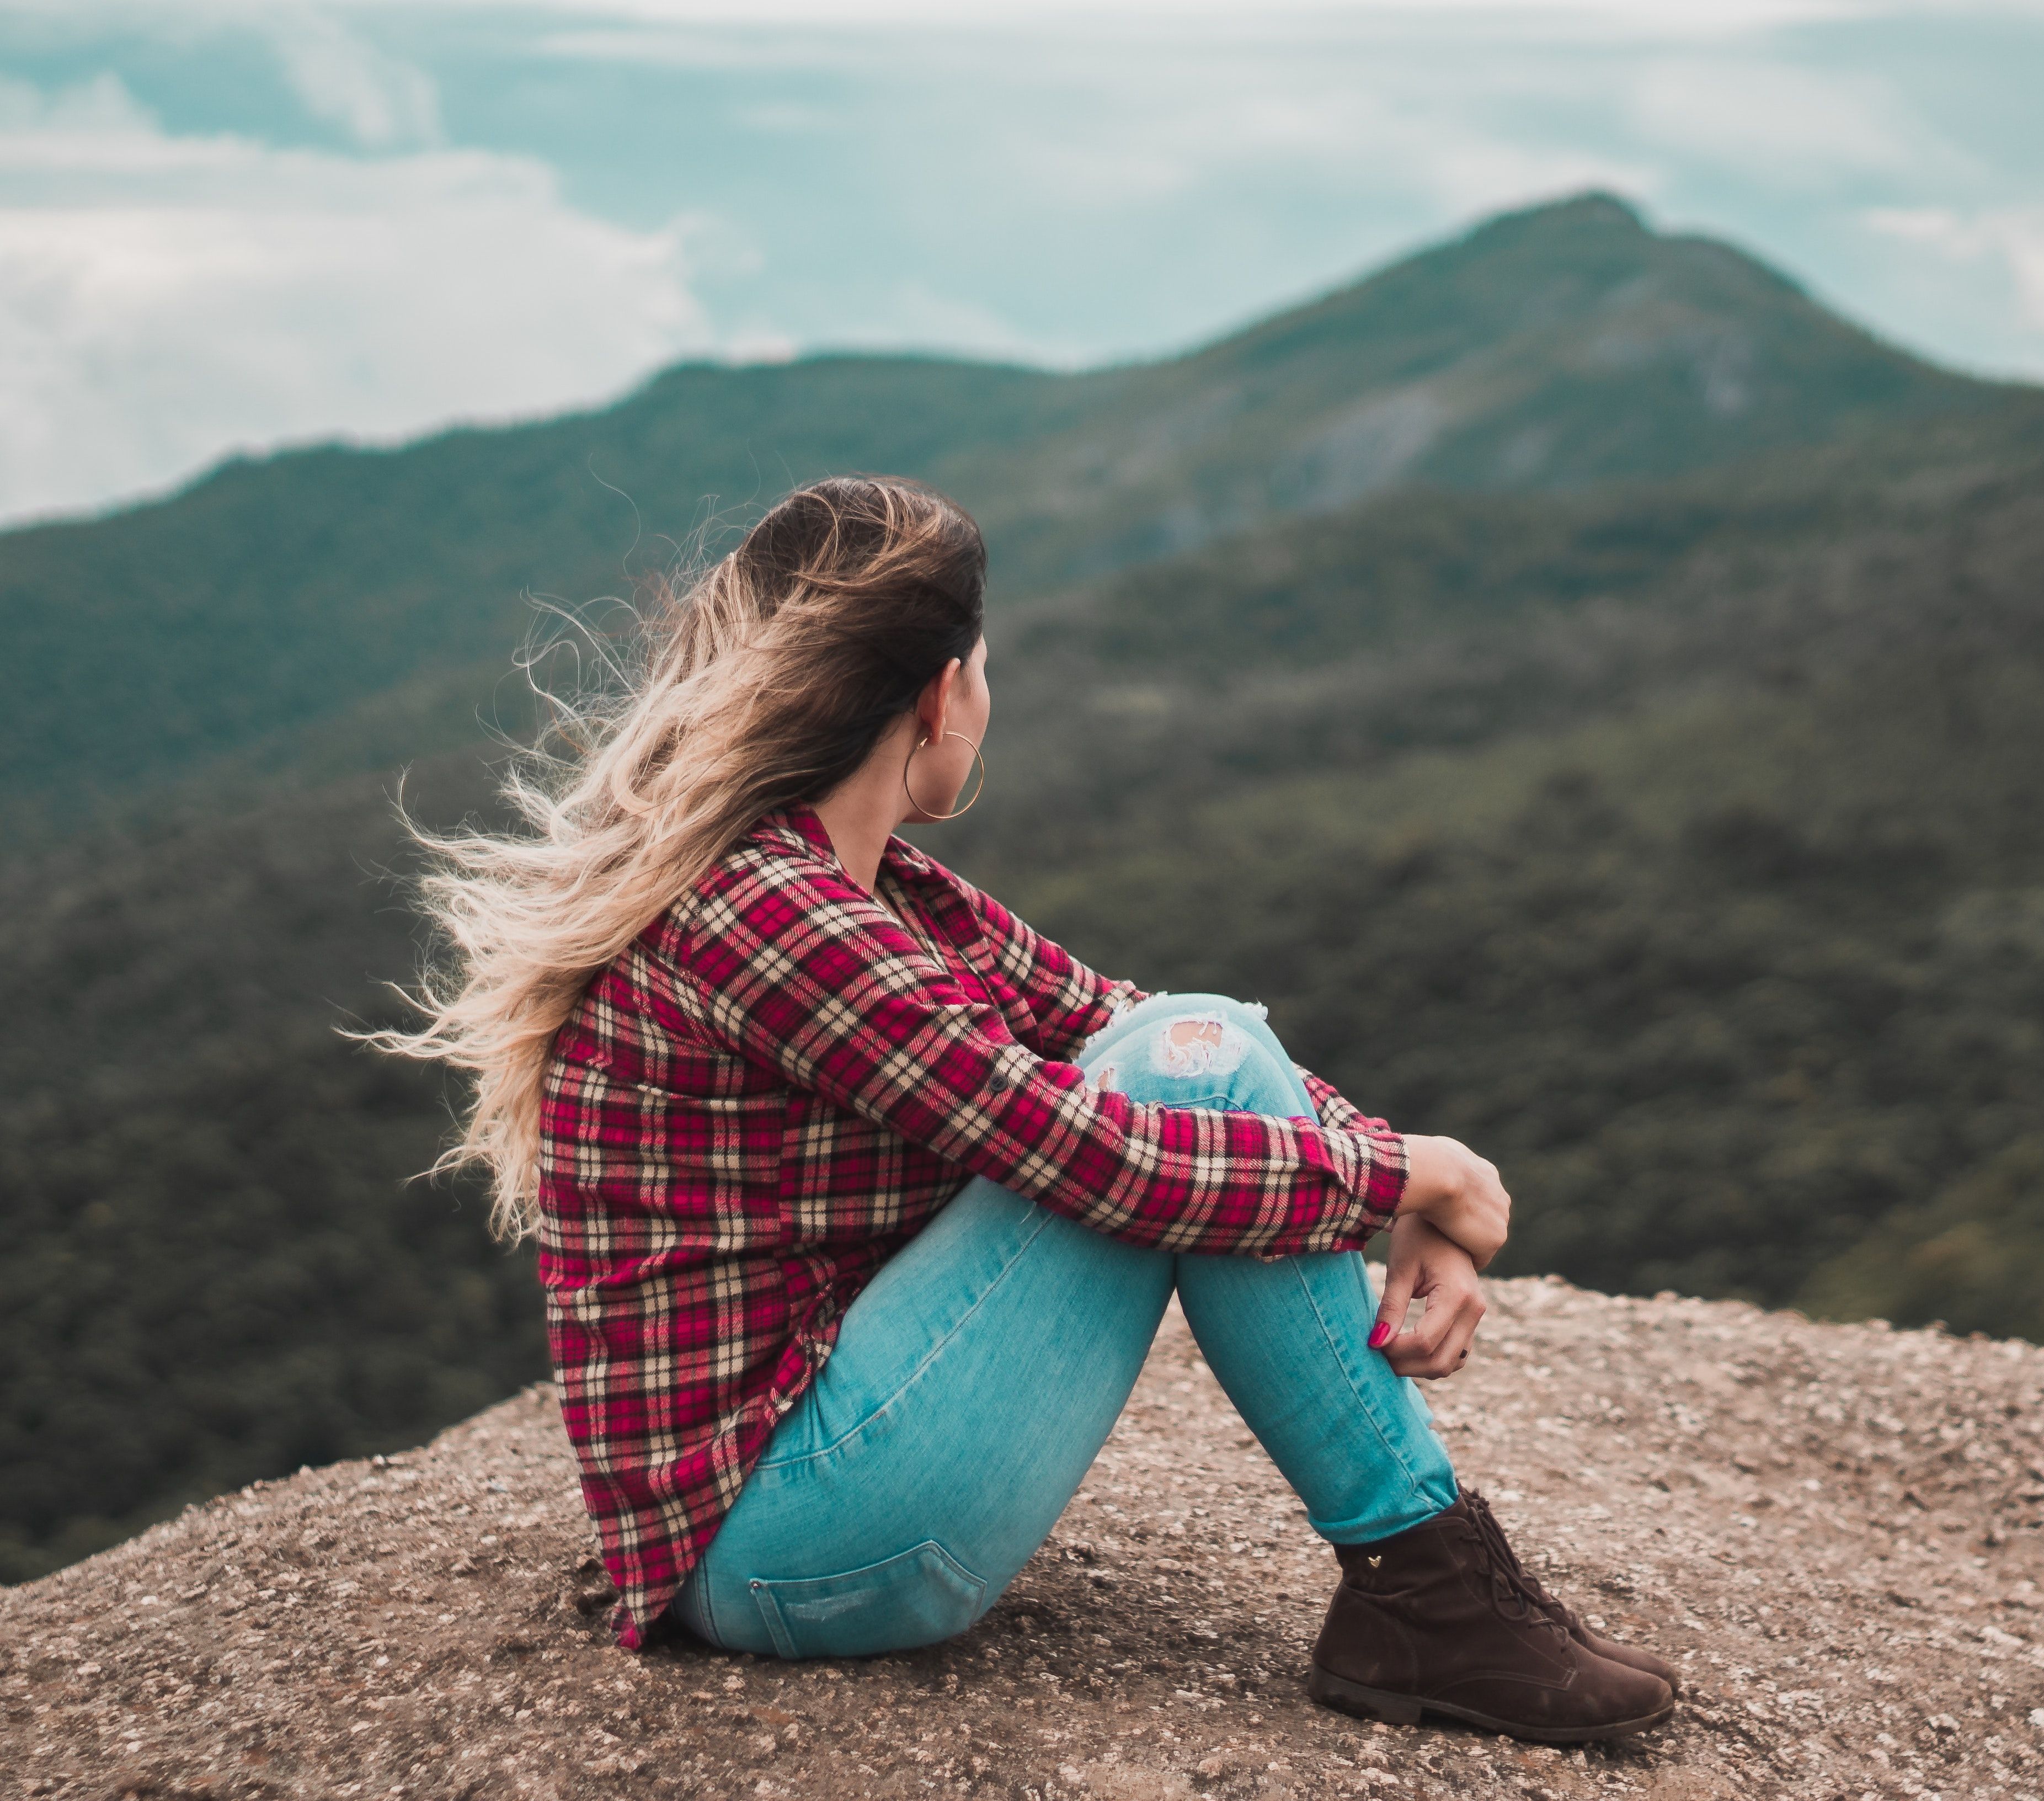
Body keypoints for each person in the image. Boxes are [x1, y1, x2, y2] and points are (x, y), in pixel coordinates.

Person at [379, 475, 1675, 1743]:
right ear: (940, 693)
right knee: (1178, 1081)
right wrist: (1403, 1176)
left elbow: (1134, 1021)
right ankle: (1429, 1593)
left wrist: (1399, 1178)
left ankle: (1428, 1592)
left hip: (807, 1495)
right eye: (984, 672)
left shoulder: (870, 890)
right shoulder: (771, 914)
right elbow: (1092, 1153)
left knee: (1192, 1038)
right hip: (780, 1541)